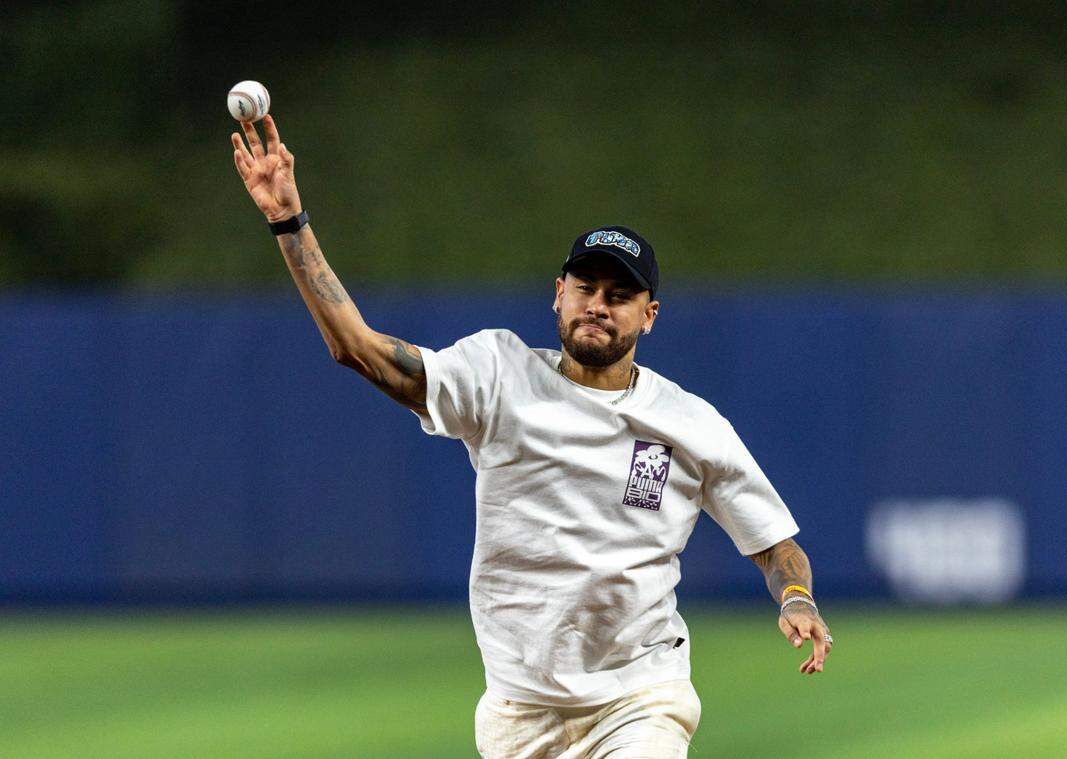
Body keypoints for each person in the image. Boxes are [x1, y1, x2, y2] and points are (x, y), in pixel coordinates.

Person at [231, 115, 833, 759]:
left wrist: (797, 596)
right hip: (520, 709)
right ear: (559, 294)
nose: (598, 303)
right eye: (586, 286)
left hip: (641, 696)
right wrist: (290, 225)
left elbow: (774, 545)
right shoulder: (497, 373)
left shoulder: (691, 424)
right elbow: (361, 351)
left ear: (649, 316)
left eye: (621, 295)